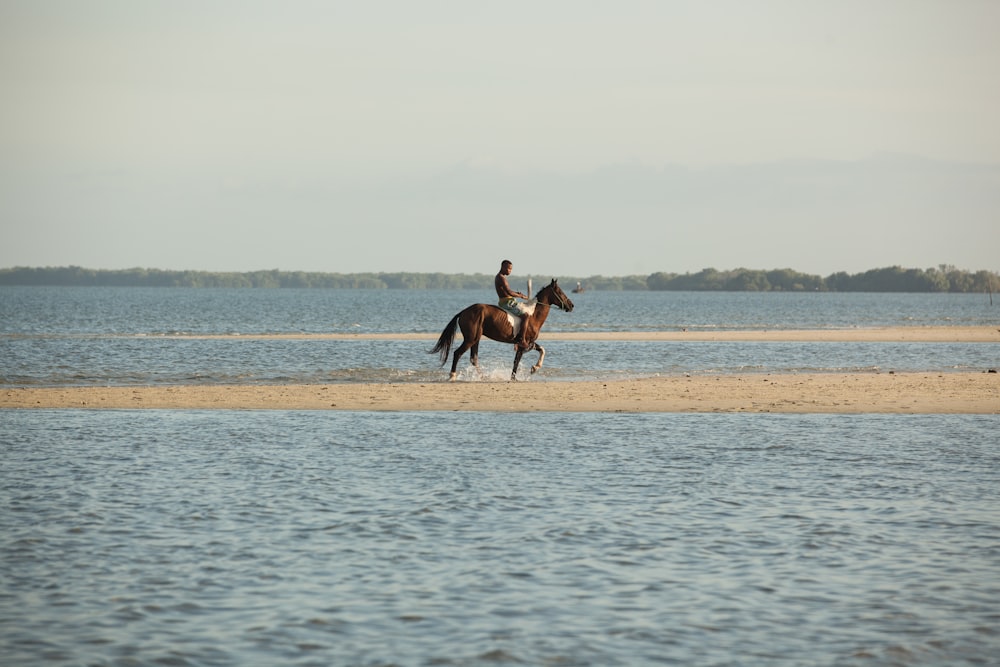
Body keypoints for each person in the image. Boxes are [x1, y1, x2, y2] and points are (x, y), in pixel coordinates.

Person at [495, 259, 531, 344]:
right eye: (509, 269)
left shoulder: (501, 277)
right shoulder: (501, 278)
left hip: (508, 301)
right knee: (525, 316)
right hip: (507, 303)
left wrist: (516, 293)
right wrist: (521, 296)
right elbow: (508, 292)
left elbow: (508, 291)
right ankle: (521, 339)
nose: (510, 271)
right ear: (503, 267)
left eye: (511, 269)